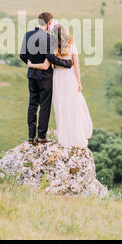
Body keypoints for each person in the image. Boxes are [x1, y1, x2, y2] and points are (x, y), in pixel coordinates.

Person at [27, 24, 93, 148]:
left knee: (61, 108)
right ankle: (76, 136)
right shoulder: (73, 47)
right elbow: (77, 67)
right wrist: (78, 82)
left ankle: (64, 138)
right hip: (70, 78)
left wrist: (31, 65)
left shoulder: (53, 49)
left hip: (57, 79)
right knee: (73, 107)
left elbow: (45, 66)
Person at [20, 12, 72, 145]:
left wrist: (31, 64)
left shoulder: (27, 35)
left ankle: (31, 137)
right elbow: (51, 58)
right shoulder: (48, 38)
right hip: (45, 77)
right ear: (48, 23)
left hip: (32, 75)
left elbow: (22, 55)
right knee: (44, 105)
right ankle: (41, 136)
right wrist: (67, 63)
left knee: (32, 105)